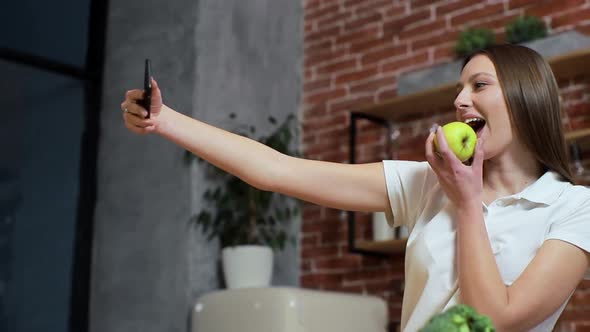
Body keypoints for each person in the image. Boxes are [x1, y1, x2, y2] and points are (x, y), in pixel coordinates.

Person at [121, 43, 590, 331]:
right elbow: (276, 170)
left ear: (526, 96)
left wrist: (466, 201)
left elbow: (498, 319)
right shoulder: (427, 184)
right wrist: (165, 120)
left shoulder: (574, 208)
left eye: (479, 84)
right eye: (460, 87)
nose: (459, 99)